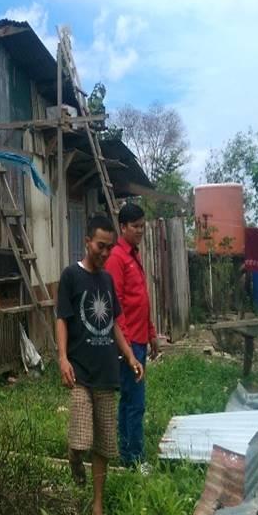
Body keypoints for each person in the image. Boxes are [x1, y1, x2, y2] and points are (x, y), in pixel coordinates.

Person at [57, 213, 143, 515]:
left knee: (105, 445)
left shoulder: (106, 280)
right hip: (80, 371)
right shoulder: (71, 276)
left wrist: (130, 356)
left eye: (109, 248)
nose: (105, 253)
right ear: (87, 242)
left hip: (107, 371)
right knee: (81, 440)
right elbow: (63, 318)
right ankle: (73, 457)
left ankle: (97, 508)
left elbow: (114, 325)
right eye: (100, 246)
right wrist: (63, 358)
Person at [104, 202, 160, 475]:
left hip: (139, 339)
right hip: (128, 343)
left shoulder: (133, 256)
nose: (140, 230)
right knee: (134, 401)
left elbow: (142, 301)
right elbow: (117, 306)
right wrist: (126, 347)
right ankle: (134, 459)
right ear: (123, 227)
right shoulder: (117, 258)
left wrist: (151, 335)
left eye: (142, 226)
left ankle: (127, 454)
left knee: (129, 400)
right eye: (135, 226)